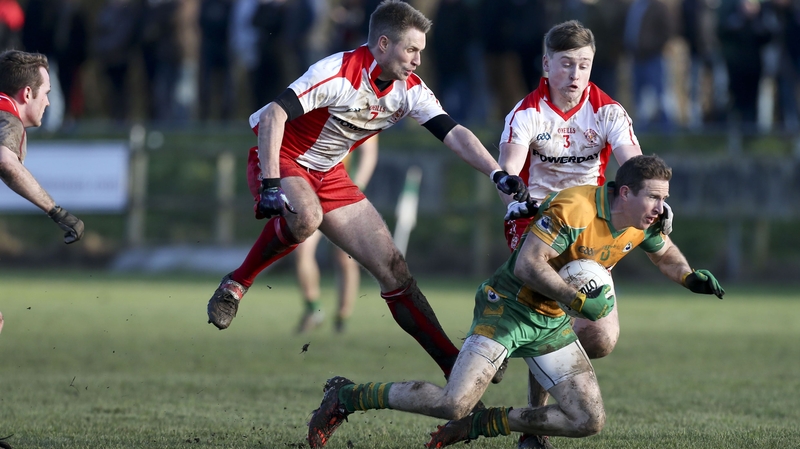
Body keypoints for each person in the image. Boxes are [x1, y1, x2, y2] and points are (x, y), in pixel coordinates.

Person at [306, 154, 725, 449]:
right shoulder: (576, 208)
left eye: (664, 198)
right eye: (654, 197)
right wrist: (577, 301)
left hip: (551, 322)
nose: (661, 207)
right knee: (454, 402)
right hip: (507, 306)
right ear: (626, 192)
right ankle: (347, 397)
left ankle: (486, 425)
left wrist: (688, 276)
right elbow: (527, 265)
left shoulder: (640, 222)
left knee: (587, 421)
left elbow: (663, 250)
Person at [205, 0, 528, 381]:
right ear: (384, 44)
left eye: (421, 51)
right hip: (282, 158)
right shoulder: (336, 72)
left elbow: (453, 132)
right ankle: (237, 283)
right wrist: (271, 183)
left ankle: (453, 364)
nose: (418, 61)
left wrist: (496, 173)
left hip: (330, 174)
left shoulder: (410, 89)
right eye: (411, 50)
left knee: (395, 269)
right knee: (307, 218)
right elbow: (273, 115)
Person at [495, 20, 671, 448]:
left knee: (601, 337)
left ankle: (504, 336)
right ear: (546, 64)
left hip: (588, 228)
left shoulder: (609, 112)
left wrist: (658, 202)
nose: (575, 75)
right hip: (537, 227)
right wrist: (514, 199)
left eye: (584, 65)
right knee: (550, 315)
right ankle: (533, 426)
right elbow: (508, 173)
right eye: (567, 64)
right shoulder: (527, 114)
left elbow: (633, 166)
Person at [295, 135, 378, 333]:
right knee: (301, 249)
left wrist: (356, 188)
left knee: (345, 258)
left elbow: (369, 155)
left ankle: (342, 317)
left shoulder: (365, 113)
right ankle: (313, 308)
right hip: (312, 192)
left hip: (342, 191)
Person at [0, 50, 84, 245]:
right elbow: (5, 162)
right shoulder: (8, 117)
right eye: (46, 93)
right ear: (28, 93)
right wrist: (56, 211)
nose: (47, 102)